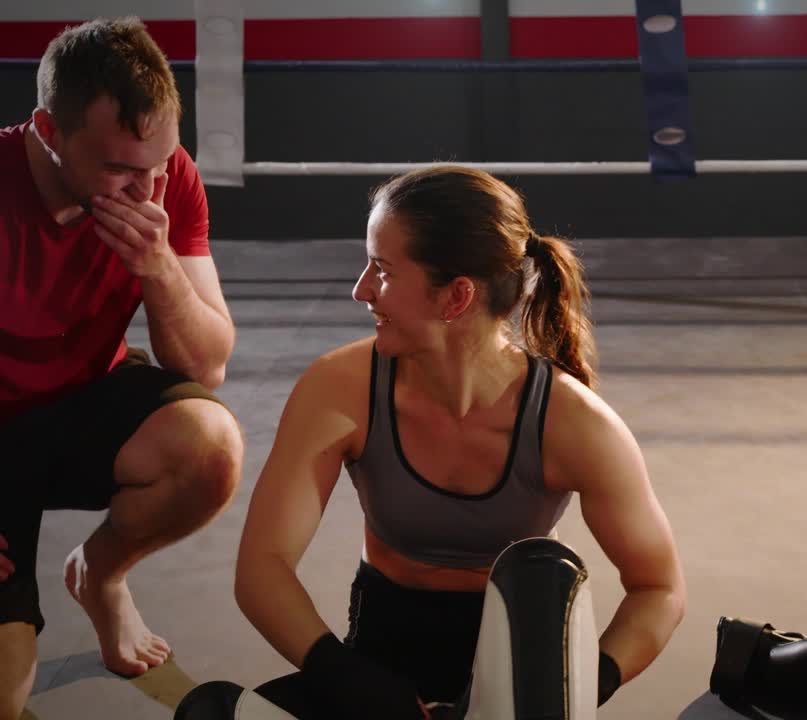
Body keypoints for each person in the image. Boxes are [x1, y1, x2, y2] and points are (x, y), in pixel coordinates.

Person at [224, 166, 685, 717]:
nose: (360, 289)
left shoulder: (574, 423)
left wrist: (577, 687)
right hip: (380, 656)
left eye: (383, 270)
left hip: (519, 676)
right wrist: (349, 679)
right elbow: (262, 567)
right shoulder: (340, 388)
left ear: (456, 296)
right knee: (210, 711)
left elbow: (658, 589)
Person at [0, 16, 241, 720]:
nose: (145, 188)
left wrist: (159, 268)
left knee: (209, 446)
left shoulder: (168, 178)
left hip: (79, 401)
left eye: (156, 164)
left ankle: (100, 578)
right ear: (49, 129)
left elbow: (208, 362)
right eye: (118, 168)